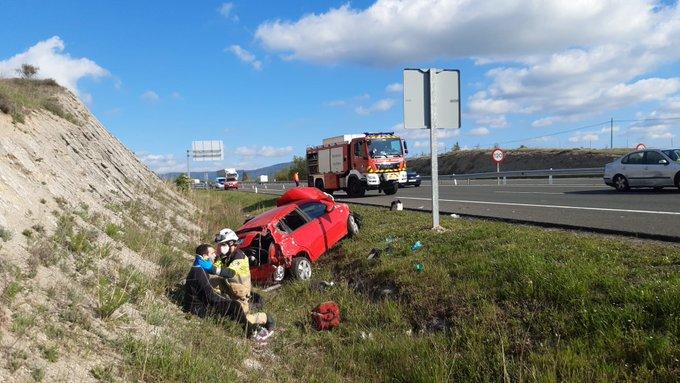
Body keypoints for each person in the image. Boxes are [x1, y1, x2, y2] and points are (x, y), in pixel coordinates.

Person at [184, 243, 274, 340]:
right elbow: (211, 297)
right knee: (235, 306)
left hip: (198, 306)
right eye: (212, 253)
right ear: (205, 256)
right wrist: (228, 302)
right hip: (198, 310)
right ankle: (253, 332)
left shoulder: (198, 268)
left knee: (234, 309)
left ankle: (252, 328)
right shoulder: (199, 272)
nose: (215, 255)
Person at [213, 229, 256, 319]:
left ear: (231, 243)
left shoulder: (240, 258)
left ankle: (265, 318)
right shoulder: (226, 256)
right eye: (220, 244)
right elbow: (215, 266)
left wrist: (210, 268)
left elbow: (229, 273)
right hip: (229, 287)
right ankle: (216, 306)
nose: (220, 247)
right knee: (211, 282)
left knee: (242, 319)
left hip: (240, 295)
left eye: (223, 244)